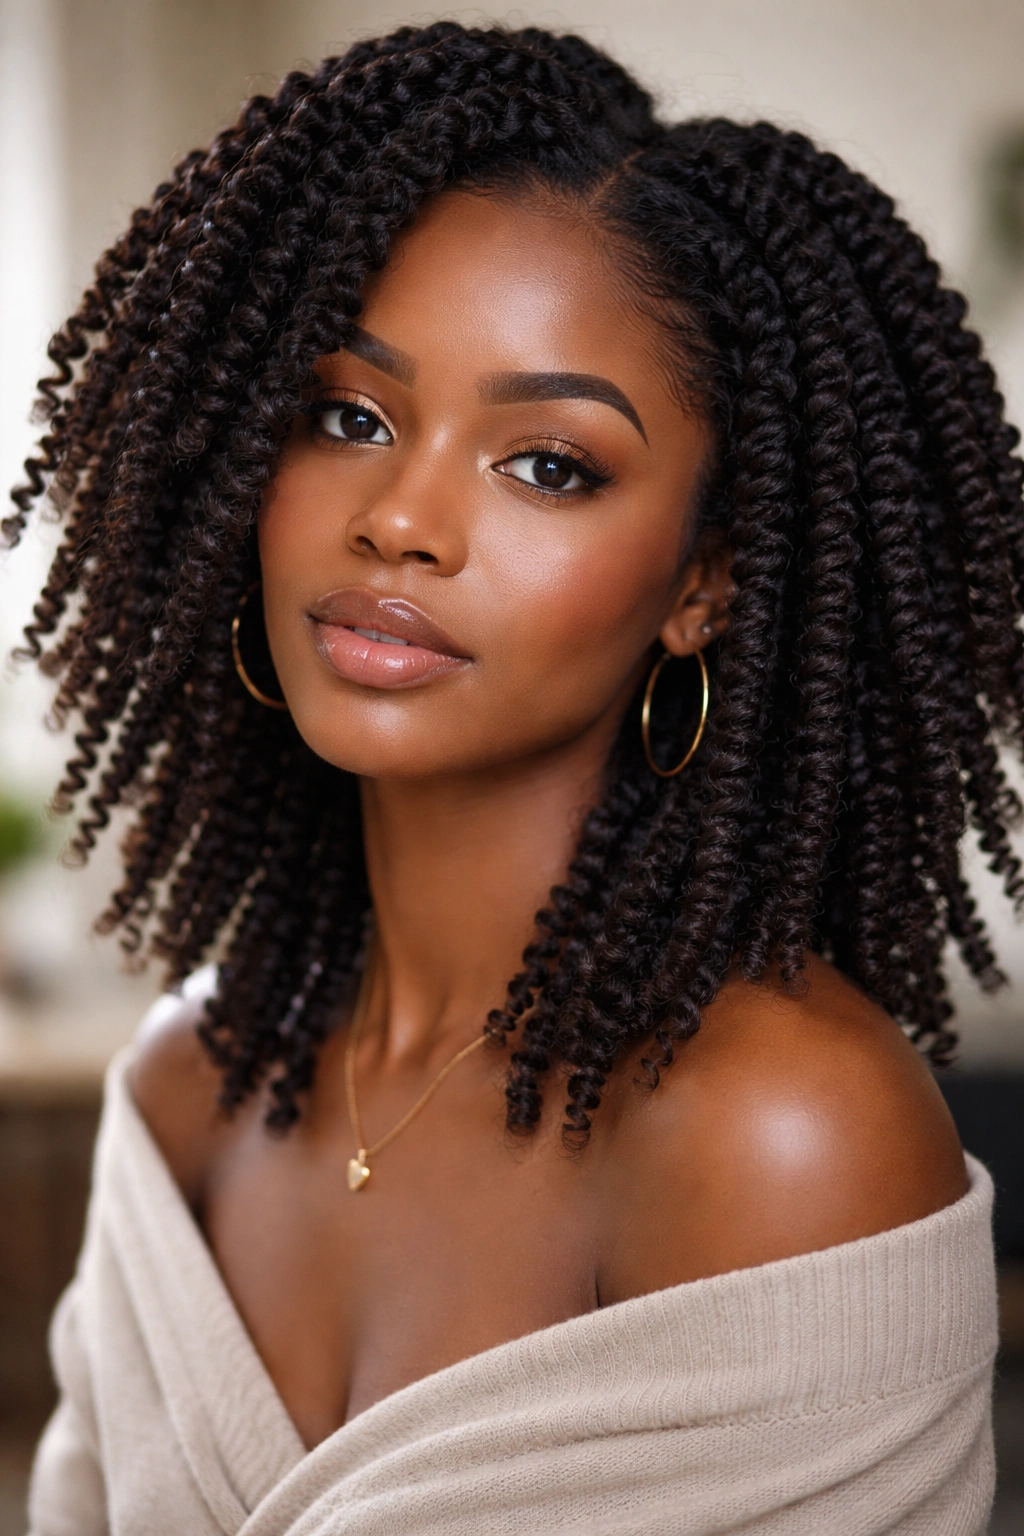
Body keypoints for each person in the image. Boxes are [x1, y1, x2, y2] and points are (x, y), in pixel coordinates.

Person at [10, 22, 1017, 1535]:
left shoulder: (784, 1133)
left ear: (709, 583)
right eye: (348, 415)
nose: (402, 520)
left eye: (549, 463)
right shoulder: (187, 1091)